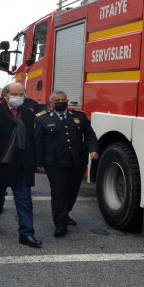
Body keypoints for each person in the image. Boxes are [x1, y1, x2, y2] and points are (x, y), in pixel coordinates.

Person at [0, 82, 42, 248]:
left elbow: (33, 141)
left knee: (24, 200)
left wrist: (37, 163)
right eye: (15, 94)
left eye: (22, 94)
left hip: (21, 165)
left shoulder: (28, 114)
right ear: (5, 95)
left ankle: (26, 233)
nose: (19, 98)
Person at [35, 90, 98, 237]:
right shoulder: (41, 119)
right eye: (57, 100)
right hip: (54, 163)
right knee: (59, 193)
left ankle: (65, 213)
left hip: (77, 162)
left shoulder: (79, 116)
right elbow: (38, 143)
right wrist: (38, 163)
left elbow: (90, 135)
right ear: (51, 103)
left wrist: (93, 149)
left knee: (72, 192)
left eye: (63, 99)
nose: (61, 102)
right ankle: (60, 225)